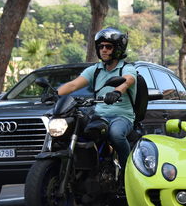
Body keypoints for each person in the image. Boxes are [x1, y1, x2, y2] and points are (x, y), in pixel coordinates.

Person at [56, 28, 137, 170]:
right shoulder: (96, 69)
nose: (104, 50)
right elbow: (73, 85)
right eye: (101, 47)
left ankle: (129, 170)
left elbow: (128, 80)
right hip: (99, 116)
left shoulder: (126, 68)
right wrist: (55, 93)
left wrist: (117, 92)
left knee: (116, 134)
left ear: (117, 49)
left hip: (121, 116)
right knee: (77, 130)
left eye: (108, 47)